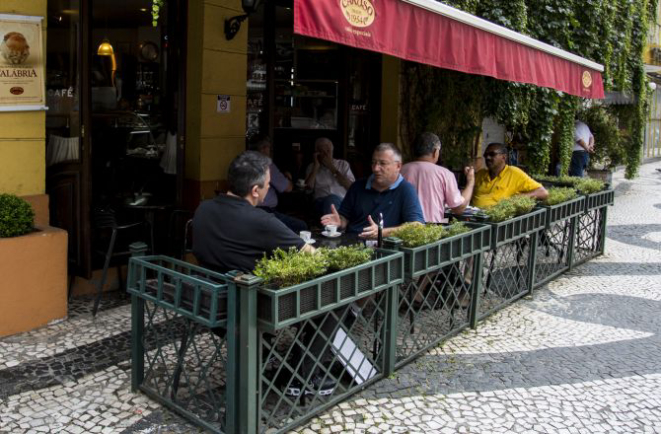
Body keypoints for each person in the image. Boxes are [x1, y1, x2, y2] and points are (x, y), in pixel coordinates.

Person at [192, 151, 313, 273]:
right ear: (255, 190)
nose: (268, 187)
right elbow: (311, 254)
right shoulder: (263, 221)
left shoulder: (203, 209)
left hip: (204, 287)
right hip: (243, 290)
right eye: (267, 184)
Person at [322, 143, 424, 238]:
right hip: (352, 246)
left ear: (398, 166)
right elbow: (345, 217)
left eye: (382, 163)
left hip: (385, 250)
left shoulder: (406, 190)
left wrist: (381, 232)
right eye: (373, 163)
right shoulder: (357, 186)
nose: (375, 168)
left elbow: (417, 226)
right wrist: (340, 221)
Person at [401, 132, 475, 223]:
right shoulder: (444, 174)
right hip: (431, 231)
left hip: (402, 230)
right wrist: (470, 182)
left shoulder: (400, 171)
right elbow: (459, 208)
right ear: (435, 152)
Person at [249, 135, 308, 233]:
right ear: (263, 148)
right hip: (263, 211)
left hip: (246, 209)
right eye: (269, 148)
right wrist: (288, 177)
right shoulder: (266, 164)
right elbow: (287, 188)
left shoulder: (243, 162)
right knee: (301, 226)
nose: (270, 151)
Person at [472, 142, 548, 209]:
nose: (487, 158)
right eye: (486, 155)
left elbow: (543, 192)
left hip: (498, 221)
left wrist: (520, 197)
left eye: (492, 154)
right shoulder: (480, 174)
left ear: (504, 157)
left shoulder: (514, 173)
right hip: (475, 218)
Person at [305, 137, 355, 217]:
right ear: (317, 153)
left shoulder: (343, 164)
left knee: (332, 200)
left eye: (328, 151)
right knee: (330, 201)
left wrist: (331, 167)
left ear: (332, 151)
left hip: (342, 201)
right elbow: (308, 189)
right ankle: (335, 226)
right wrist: (315, 168)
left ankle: (332, 226)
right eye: (322, 151)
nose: (326, 154)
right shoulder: (312, 167)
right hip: (320, 202)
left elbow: (351, 187)